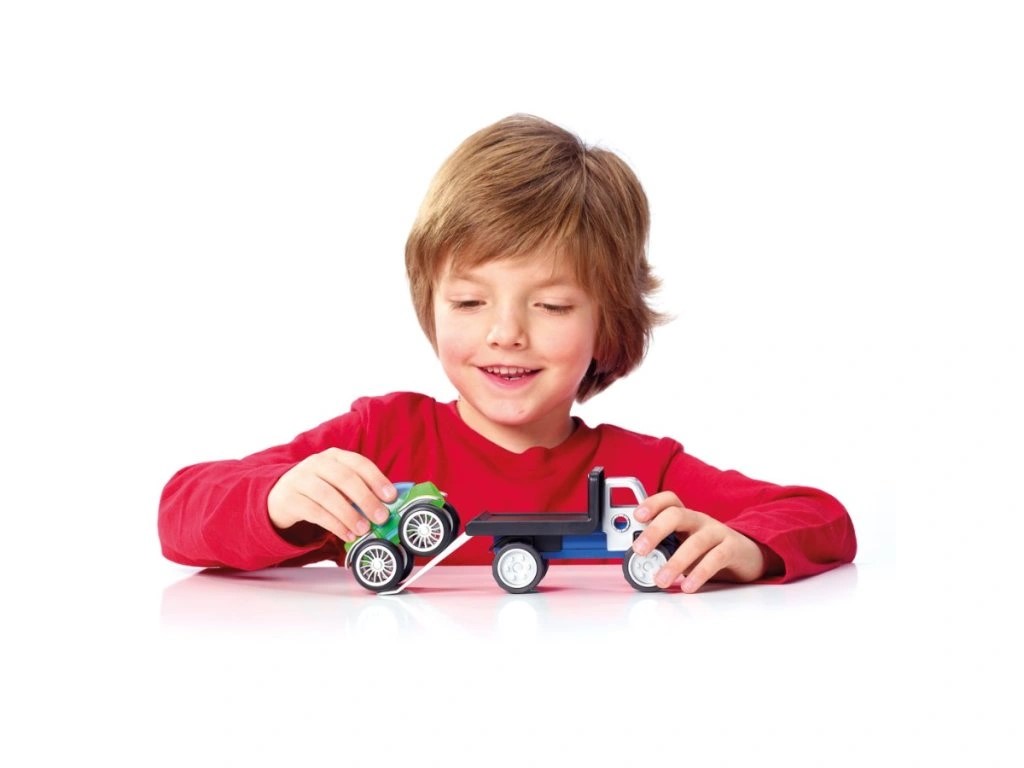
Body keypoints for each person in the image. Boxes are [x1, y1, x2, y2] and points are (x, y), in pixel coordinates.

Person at [159, 114, 856, 593]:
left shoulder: (647, 476)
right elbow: (180, 508)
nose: (506, 333)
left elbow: (821, 516)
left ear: (607, 324)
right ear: (431, 307)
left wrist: (746, 548)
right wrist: (276, 500)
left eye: (551, 306)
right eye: (470, 302)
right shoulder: (379, 441)